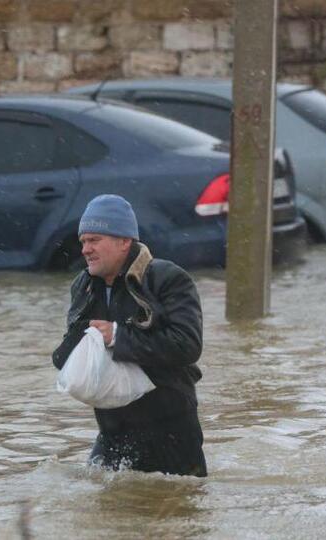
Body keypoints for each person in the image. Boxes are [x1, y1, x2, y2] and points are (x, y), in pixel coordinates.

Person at [52, 194, 207, 477]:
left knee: (178, 511)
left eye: (94, 240)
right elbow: (65, 356)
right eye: (83, 241)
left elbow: (187, 346)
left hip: (171, 429)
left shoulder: (168, 278)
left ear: (124, 241)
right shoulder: (84, 286)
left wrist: (117, 336)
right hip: (112, 431)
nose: (85, 249)